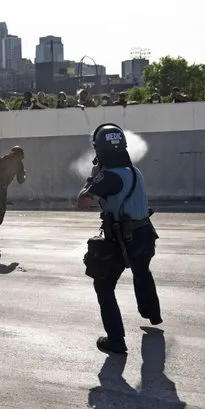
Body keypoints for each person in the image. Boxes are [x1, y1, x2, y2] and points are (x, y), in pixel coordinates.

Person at [77, 123, 161, 355]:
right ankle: (153, 314)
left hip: (124, 239)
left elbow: (83, 202)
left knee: (103, 285)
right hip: (145, 234)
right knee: (142, 272)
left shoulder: (109, 176)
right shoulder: (135, 171)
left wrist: (91, 179)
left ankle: (116, 340)